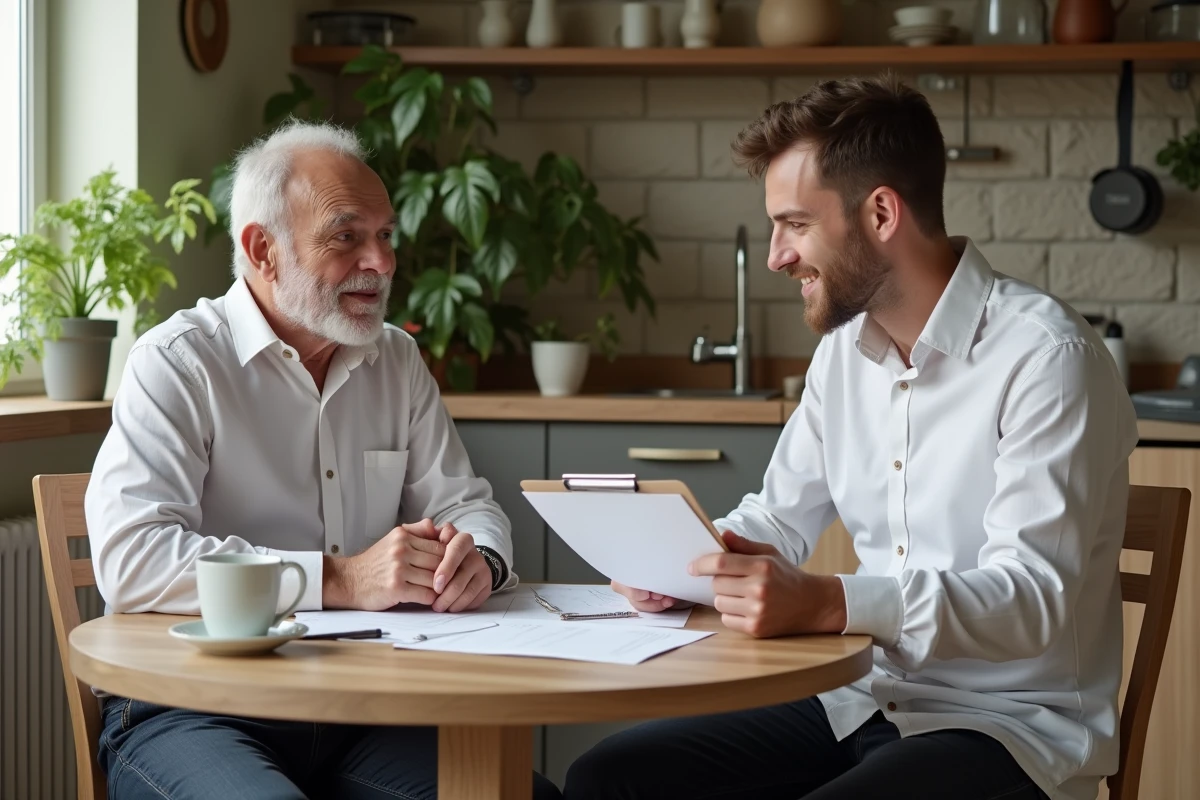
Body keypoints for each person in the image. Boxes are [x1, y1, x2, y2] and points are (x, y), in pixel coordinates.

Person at [565, 75, 1138, 800]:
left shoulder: (1048, 358)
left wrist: (831, 603)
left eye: (796, 224)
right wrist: (678, 566)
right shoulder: (843, 354)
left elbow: (1031, 600)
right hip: (860, 699)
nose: (777, 255)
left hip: (1010, 729)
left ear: (881, 213)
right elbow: (777, 520)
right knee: (609, 779)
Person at [84, 120, 562, 800]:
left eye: (386, 235)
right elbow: (133, 558)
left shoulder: (396, 359)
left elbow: (464, 503)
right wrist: (340, 577)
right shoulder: (177, 363)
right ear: (264, 250)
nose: (382, 262)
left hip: (361, 709)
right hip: (193, 707)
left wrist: (478, 560)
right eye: (346, 237)